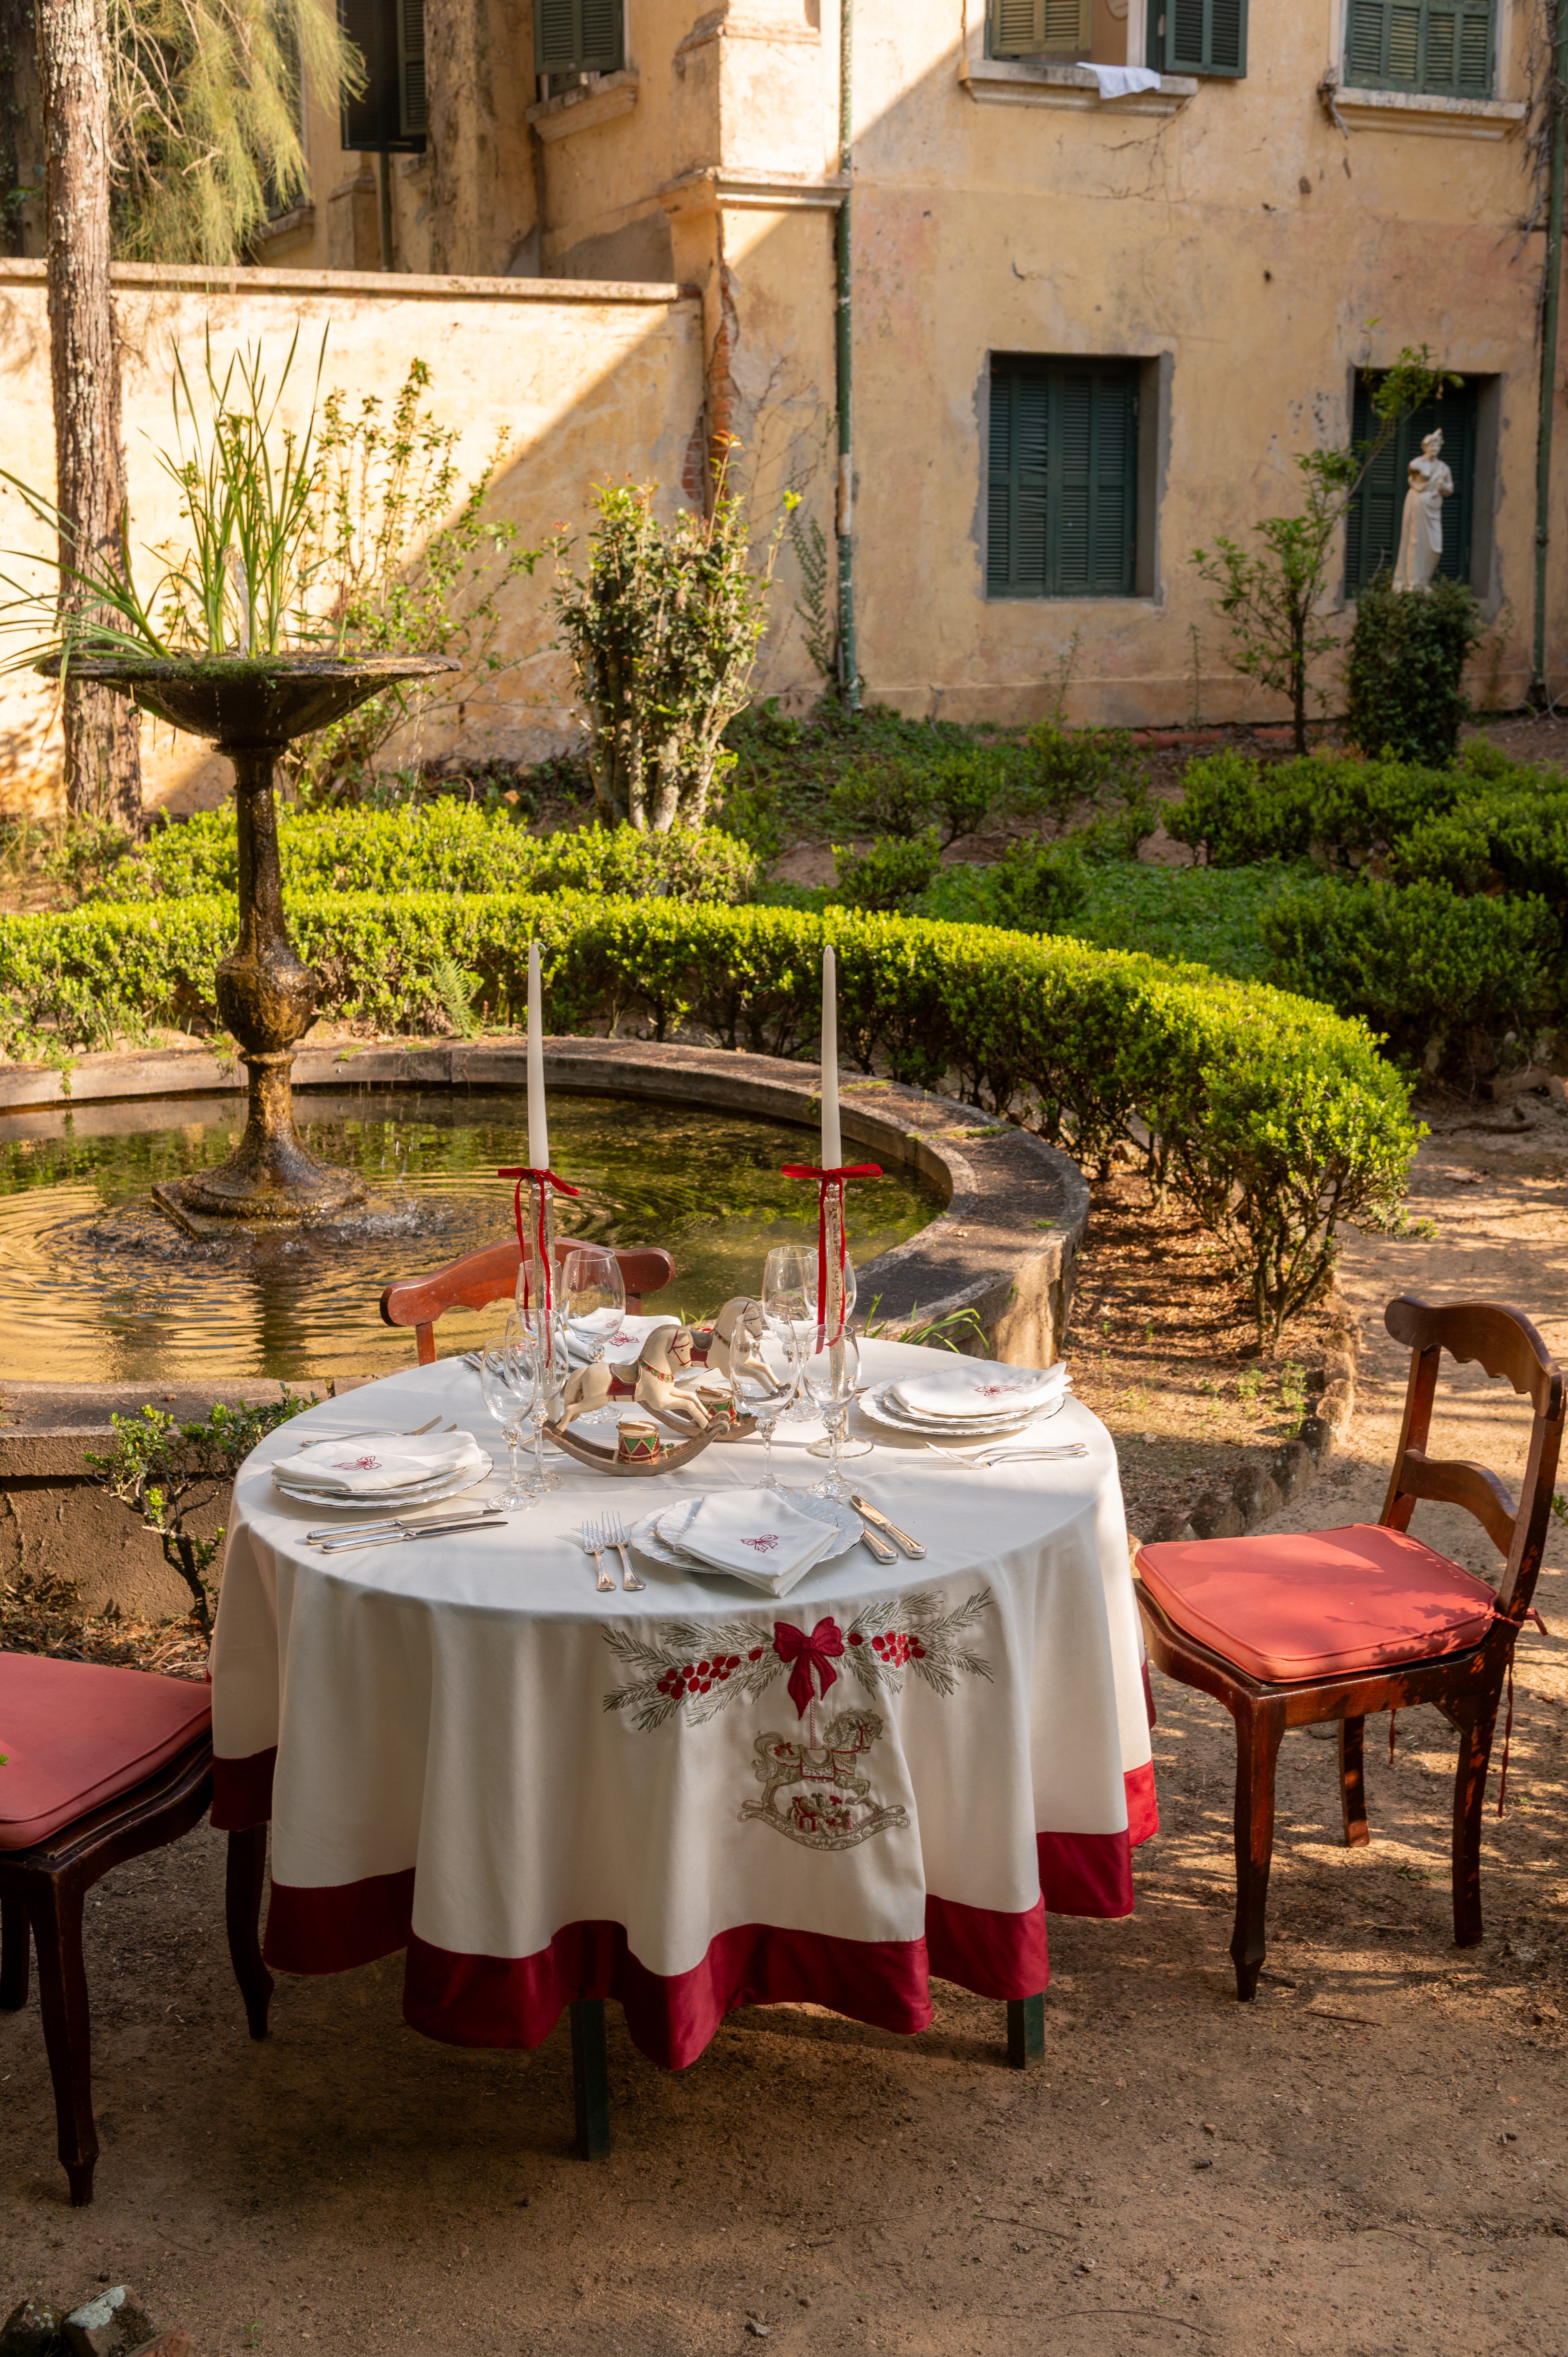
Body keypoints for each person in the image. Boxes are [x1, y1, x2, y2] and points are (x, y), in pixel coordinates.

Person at [1390, 428, 1453, 592]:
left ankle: (1424, 581)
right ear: (1425, 447)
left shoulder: (1444, 468)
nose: (1435, 448)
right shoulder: (1417, 463)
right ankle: (1413, 583)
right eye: (1432, 445)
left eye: (1438, 445)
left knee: (1435, 547)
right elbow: (1412, 470)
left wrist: (1444, 487)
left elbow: (1450, 489)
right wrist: (1423, 476)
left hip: (1433, 509)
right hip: (1417, 503)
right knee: (1415, 542)